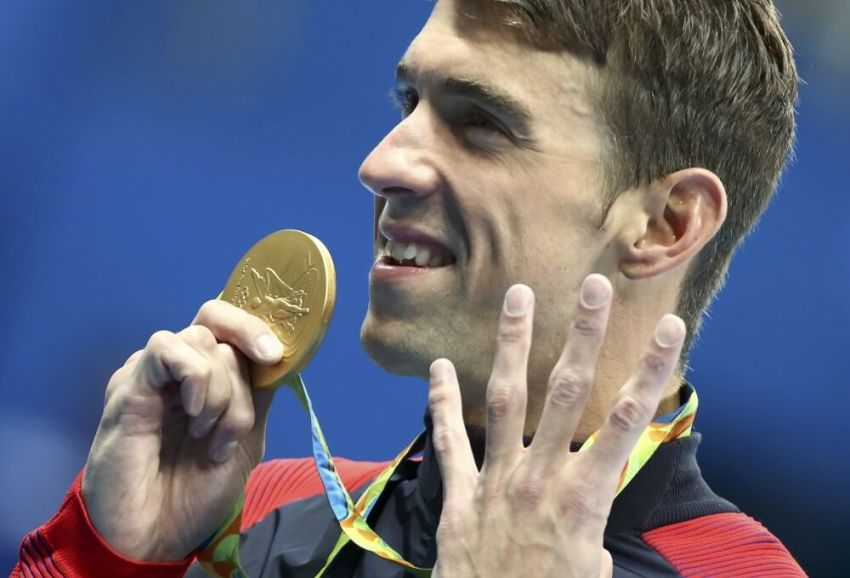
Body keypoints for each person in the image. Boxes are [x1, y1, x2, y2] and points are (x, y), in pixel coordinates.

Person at [12, 0, 806, 576]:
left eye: (479, 124)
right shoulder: (263, 517)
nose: (381, 162)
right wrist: (108, 558)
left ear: (667, 223)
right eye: (410, 102)